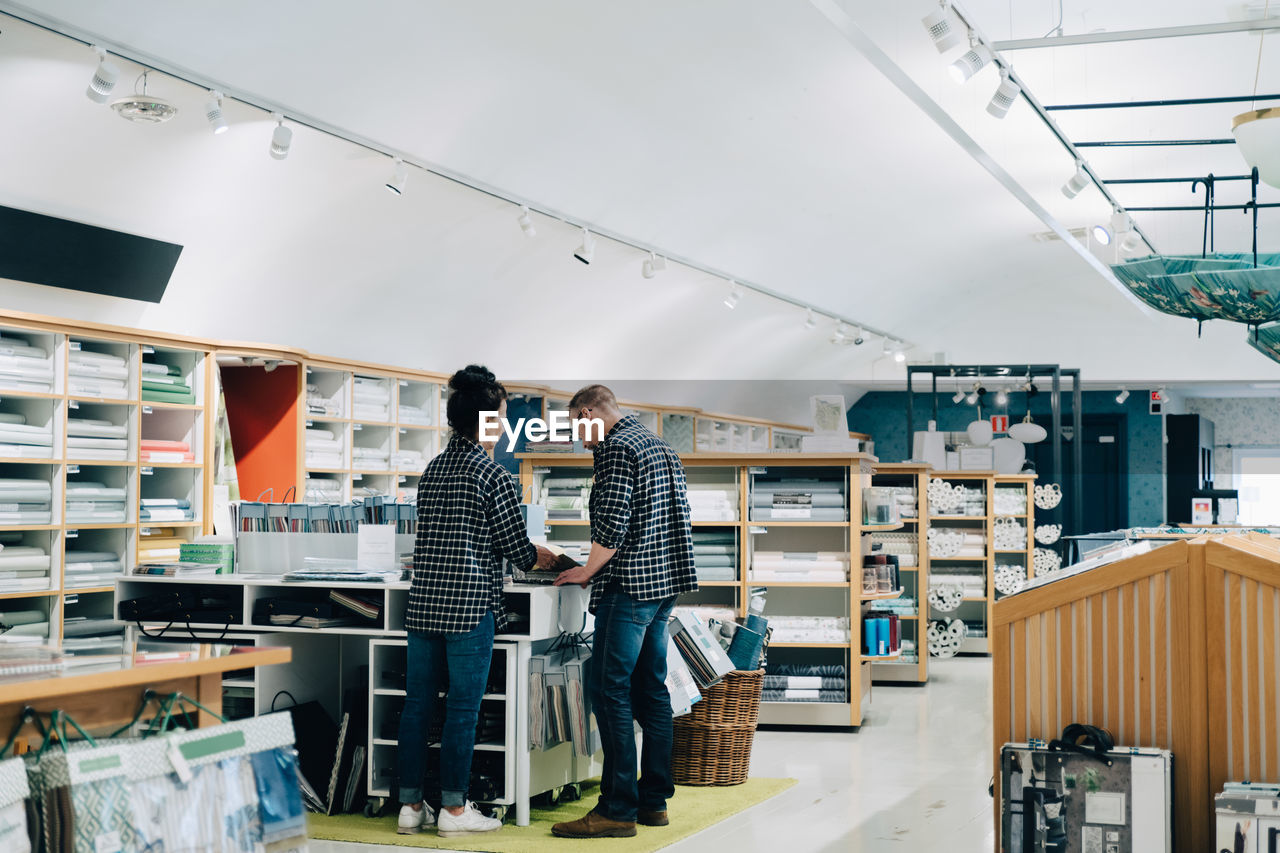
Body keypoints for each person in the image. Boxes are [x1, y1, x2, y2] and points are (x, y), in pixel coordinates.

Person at [397, 365, 555, 838]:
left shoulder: (432, 470)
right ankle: (454, 810)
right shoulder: (493, 476)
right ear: (487, 422)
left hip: (423, 604)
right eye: (502, 417)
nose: (504, 426)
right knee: (463, 709)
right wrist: (549, 558)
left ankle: (409, 807)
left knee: (417, 705)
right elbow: (517, 550)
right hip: (469, 607)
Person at [551, 384, 698, 839]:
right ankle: (653, 801)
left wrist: (585, 572)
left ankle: (616, 808)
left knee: (607, 689)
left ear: (591, 411)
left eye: (578, 424)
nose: (580, 437)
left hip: (629, 587)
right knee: (650, 690)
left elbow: (611, 525)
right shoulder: (659, 445)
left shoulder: (617, 449)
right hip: (664, 585)